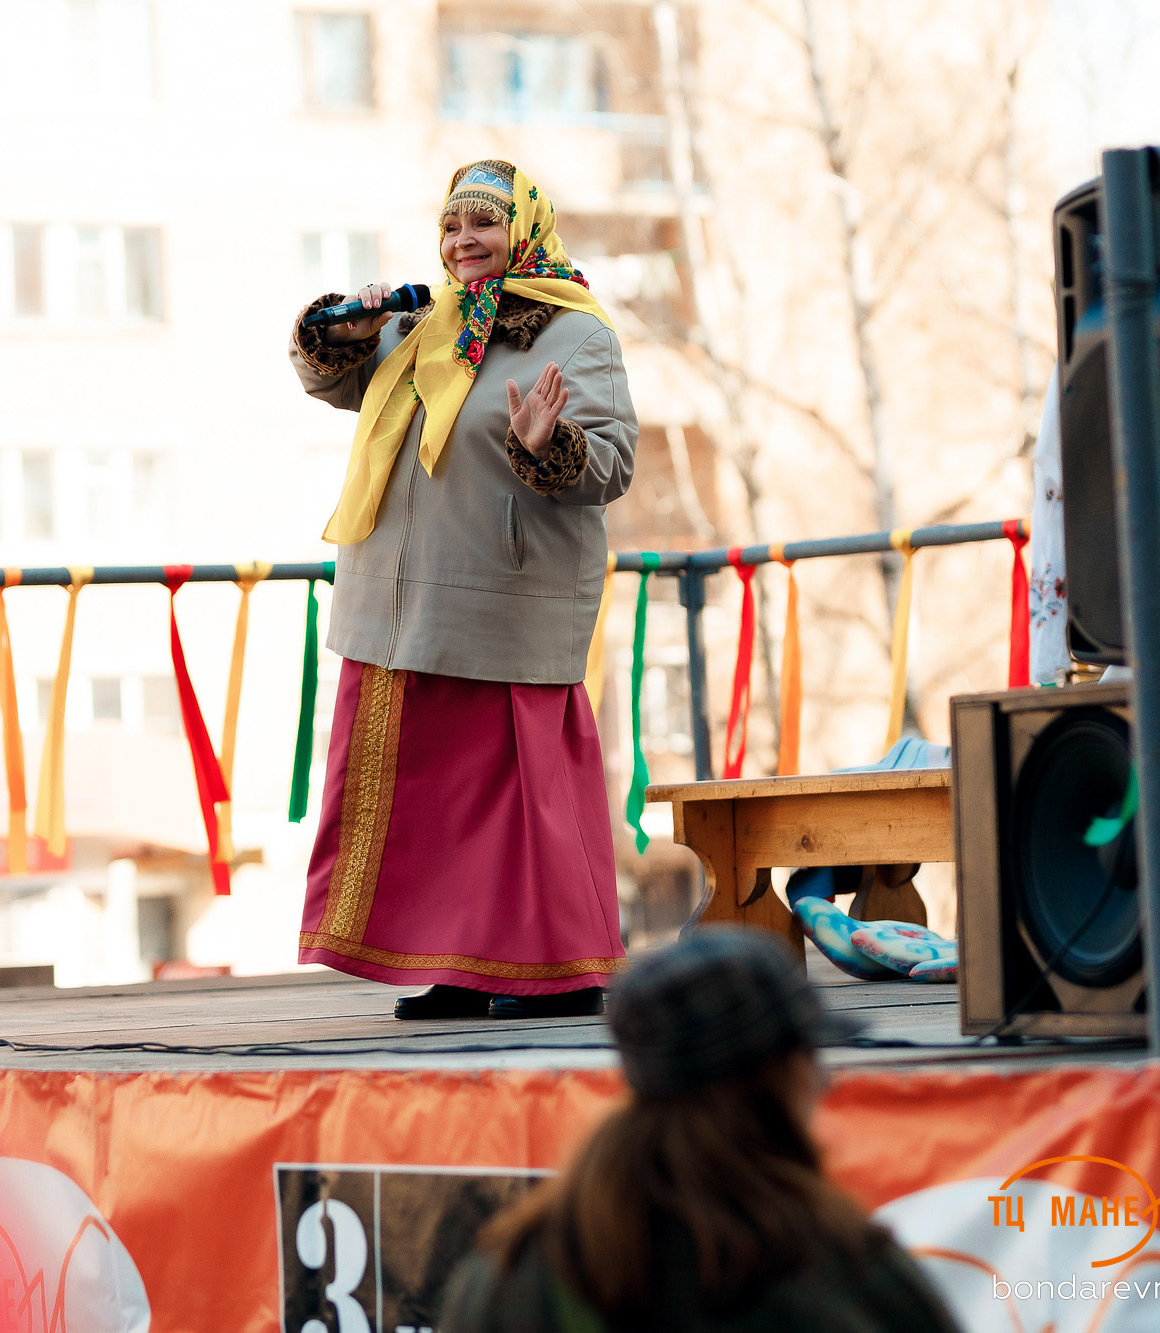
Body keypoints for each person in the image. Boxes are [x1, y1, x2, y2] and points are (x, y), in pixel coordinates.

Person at [289, 159, 638, 1020]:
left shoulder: (577, 333)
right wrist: (349, 326)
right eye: (451, 228)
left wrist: (545, 443)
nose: (462, 243)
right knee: (432, 793)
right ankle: (456, 965)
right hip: (403, 599)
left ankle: (562, 973)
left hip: (503, 595)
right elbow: (337, 383)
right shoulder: (423, 325)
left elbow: (613, 463)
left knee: (518, 797)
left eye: (481, 224)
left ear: (523, 230)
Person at [438, 929, 962, 1332]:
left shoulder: (505, 1279)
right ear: (774, 1079)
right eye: (810, 1057)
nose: (823, 1080)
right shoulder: (845, 1275)